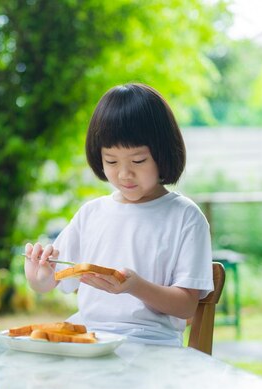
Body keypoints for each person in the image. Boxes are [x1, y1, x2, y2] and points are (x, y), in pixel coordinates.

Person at [24, 83, 213, 347]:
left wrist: (136, 287)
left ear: (163, 153)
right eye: (111, 161)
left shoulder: (185, 217)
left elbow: (186, 306)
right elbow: (51, 282)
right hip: (90, 340)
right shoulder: (91, 214)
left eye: (137, 161)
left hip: (151, 345)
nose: (124, 174)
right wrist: (39, 276)